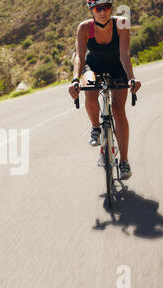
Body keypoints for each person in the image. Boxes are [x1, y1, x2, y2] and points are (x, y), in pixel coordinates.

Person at [68, 0, 141, 180]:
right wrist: (75, 79)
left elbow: (124, 53)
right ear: (91, 10)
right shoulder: (85, 28)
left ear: (111, 9)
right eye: (98, 8)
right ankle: (96, 128)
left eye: (106, 7)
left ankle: (124, 161)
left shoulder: (121, 24)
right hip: (93, 66)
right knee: (90, 88)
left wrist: (131, 77)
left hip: (117, 66)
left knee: (118, 110)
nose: (103, 12)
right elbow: (80, 56)